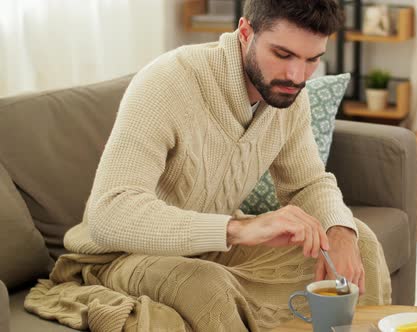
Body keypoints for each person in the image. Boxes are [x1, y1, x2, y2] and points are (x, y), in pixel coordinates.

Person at [25, 0, 392, 330]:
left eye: (312, 59)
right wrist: (238, 229)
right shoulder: (168, 81)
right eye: (282, 54)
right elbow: (109, 215)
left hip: (207, 248)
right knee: (206, 286)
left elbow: (307, 183)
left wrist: (341, 233)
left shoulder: (289, 96)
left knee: (362, 245)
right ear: (246, 32)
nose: (297, 76)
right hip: (117, 256)